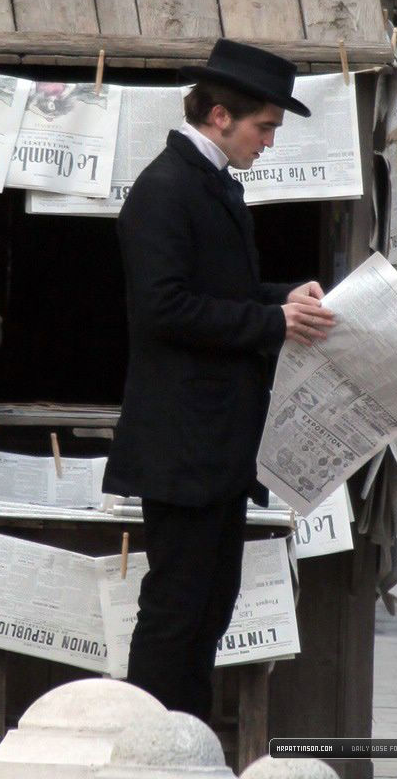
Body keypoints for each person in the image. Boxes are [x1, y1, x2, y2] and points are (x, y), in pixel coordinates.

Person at [102, 38, 335, 722]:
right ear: (220, 116)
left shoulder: (211, 181)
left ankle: (190, 746)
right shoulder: (166, 187)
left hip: (217, 447)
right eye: (265, 126)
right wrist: (273, 322)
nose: (269, 141)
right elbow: (164, 309)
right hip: (183, 445)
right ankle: (149, 750)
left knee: (209, 610)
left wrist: (288, 298)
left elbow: (223, 292)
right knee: (176, 611)